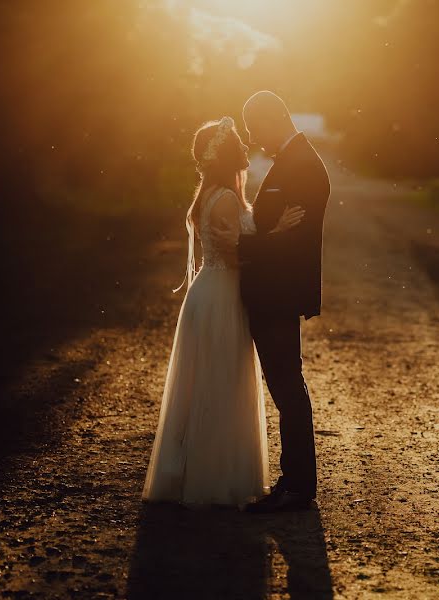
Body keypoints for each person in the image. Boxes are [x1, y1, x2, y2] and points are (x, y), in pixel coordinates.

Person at [141, 116, 304, 507]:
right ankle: (214, 479)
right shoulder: (226, 198)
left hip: (207, 292)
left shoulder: (209, 194)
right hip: (222, 296)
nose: (246, 146)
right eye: (239, 143)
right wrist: (277, 234)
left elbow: (231, 244)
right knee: (222, 385)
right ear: (227, 153)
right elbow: (236, 252)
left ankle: (192, 470)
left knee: (204, 385)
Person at [212, 91, 331, 513]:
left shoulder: (304, 166)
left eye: (253, 127)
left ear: (272, 119)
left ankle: (298, 485)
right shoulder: (293, 160)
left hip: (279, 292)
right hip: (271, 290)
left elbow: (292, 242)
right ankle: (296, 481)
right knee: (285, 385)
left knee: (287, 387)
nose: (250, 136)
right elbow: (276, 232)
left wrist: (242, 243)